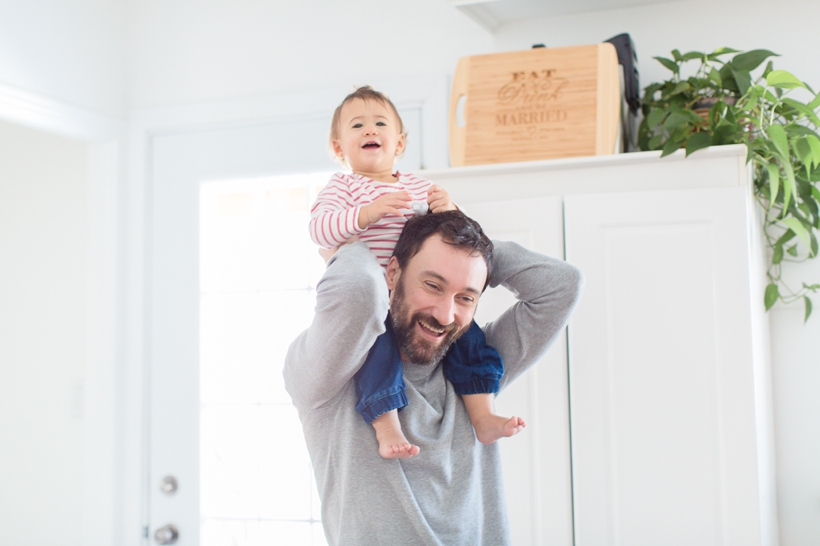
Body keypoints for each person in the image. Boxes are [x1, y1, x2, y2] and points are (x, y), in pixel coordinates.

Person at [284, 210, 584, 545]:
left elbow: (562, 285)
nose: (445, 314)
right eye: (432, 285)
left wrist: (475, 251)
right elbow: (358, 292)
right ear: (393, 272)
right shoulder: (329, 374)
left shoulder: (475, 375)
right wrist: (354, 250)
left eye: (466, 297)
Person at [309, 86, 522, 459]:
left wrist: (451, 208)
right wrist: (366, 214)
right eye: (357, 125)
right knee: (376, 355)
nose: (370, 130)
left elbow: (459, 241)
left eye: (380, 123)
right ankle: (386, 423)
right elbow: (319, 230)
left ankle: (483, 413)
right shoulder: (343, 187)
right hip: (374, 302)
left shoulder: (419, 186)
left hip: (418, 296)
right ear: (339, 148)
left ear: (400, 143)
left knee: (469, 339)